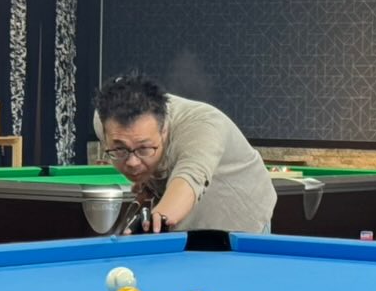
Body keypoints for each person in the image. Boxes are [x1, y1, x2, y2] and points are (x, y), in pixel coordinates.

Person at [93, 75, 276, 233]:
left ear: (164, 130)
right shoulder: (105, 120)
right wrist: (149, 180)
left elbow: (188, 179)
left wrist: (156, 221)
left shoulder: (203, 126)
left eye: (143, 149)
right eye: (121, 149)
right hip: (184, 222)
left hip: (241, 218)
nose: (132, 162)